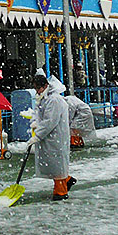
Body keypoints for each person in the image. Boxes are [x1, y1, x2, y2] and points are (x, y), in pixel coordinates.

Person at [29, 73, 74, 201]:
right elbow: (40, 115)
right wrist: (35, 123)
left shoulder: (54, 100)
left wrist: (37, 135)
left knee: (57, 165)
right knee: (54, 165)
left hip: (56, 137)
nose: (38, 91)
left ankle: (61, 192)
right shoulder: (45, 99)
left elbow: (50, 121)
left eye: (39, 88)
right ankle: (67, 181)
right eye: (36, 89)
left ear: (46, 86)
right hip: (51, 138)